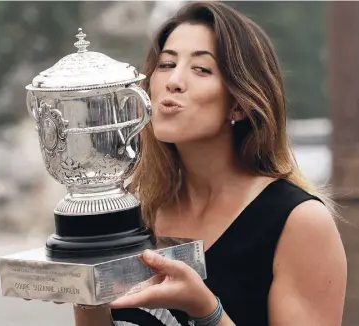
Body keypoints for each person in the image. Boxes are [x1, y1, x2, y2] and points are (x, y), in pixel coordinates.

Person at [73, 2, 347, 325]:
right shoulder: (134, 212)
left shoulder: (298, 223)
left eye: (201, 69)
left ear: (239, 105)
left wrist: (207, 311)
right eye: (166, 64)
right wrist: (83, 292)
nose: (173, 81)